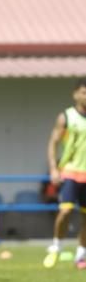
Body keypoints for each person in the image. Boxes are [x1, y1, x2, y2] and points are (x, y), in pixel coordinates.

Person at [44, 78, 86, 269]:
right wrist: (53, 167)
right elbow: (53, 142)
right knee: (66, 210)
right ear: (75, 94)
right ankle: (56, 246)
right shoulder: (66, 117)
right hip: (70, 171)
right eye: (84, 92)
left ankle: (81, 255)